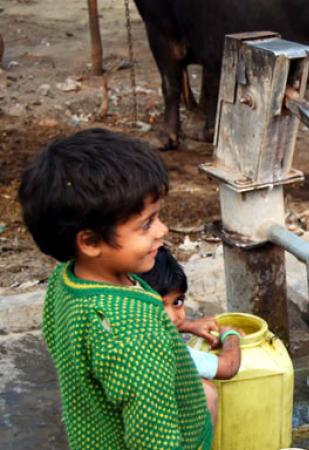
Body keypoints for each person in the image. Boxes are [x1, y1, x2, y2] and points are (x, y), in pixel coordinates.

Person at [18, 128, 213, 449]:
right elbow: (155, 441)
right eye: (146, 223)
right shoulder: (130, 330)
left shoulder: (66, 281)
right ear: (91, 241)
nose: (162, 230)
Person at [139, 245, 242, 425]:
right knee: (206, 392)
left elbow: (158, 323)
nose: (172, 317)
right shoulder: (166, 349)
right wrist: (231, 336)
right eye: (158, 305)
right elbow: (228, 367)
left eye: (177, 302)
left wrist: (188, 326)